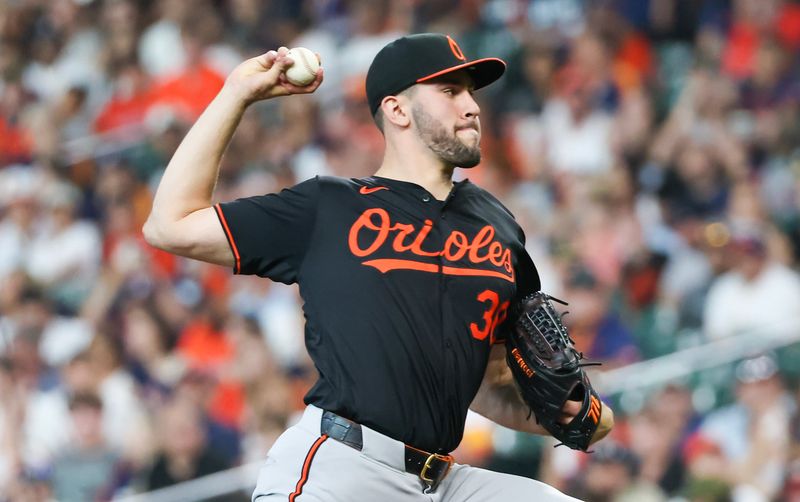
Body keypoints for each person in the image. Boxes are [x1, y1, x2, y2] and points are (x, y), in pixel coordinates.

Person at [144, 33, 614, 501]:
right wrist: (236, 94)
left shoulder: (498, 227)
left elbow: (487, 383)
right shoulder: (328, 207)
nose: (471, 106)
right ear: (397, 110)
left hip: (441, 481)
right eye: (449, 92)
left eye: (471, 92)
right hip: (342, 468)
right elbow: (170, 225)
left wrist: (569, 413)